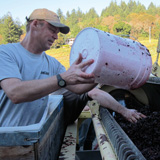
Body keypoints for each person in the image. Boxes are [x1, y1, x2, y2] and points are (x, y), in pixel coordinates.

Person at [0, 8, 145, 127]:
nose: (56, 37)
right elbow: (15, 93)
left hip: (36, 137)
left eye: (57, 33)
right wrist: (62, 79)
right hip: (8, 140)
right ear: (35, 24)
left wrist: (103, 69)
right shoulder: (6, 53)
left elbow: (78, 88)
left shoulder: (52, 63)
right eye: (52, 30)